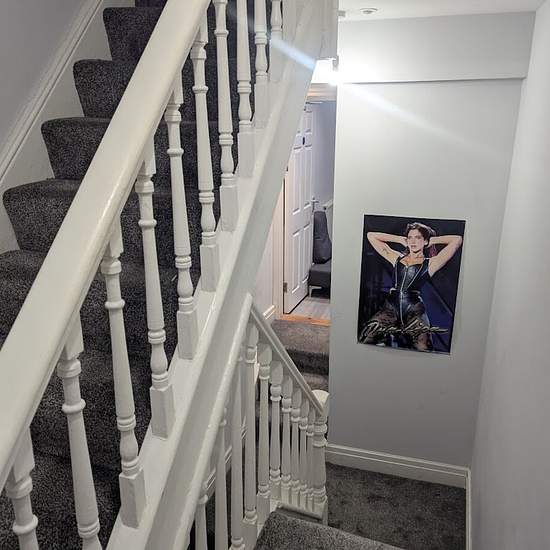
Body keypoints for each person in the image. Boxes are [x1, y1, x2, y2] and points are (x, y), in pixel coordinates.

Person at [359, 222, 463, 352]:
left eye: (418, 237)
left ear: (425, 241)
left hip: (414, 310)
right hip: (390, 308)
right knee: (366, 337)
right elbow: (371, 236)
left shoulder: (431, 263)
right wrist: (400, 239)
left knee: (424, 348)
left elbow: (457, 240)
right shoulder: (396, 258)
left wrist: (430, 240)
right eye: (410, 237)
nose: (413, 241)